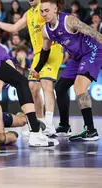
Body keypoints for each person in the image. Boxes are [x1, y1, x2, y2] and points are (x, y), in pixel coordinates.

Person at [0, 0, 64, 136]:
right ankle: (40, 122)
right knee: (32, 88)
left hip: (52, 49)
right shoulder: (29, 13)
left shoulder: (44, 7)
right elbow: (14, 28)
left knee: (46, 84)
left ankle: (50, 123)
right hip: (38, 54)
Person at [31, 0, 102, 141]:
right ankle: (64, 125)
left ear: (55, 9)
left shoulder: (69, 21)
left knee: (79, 87)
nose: (44, 14)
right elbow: (45, 51)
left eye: (47, 10)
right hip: (76, 57)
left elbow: (93, 33)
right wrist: (37, 69)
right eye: (42, 11)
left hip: (92, 51)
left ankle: (91, 130)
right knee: (60, 87)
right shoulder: (46, 31)